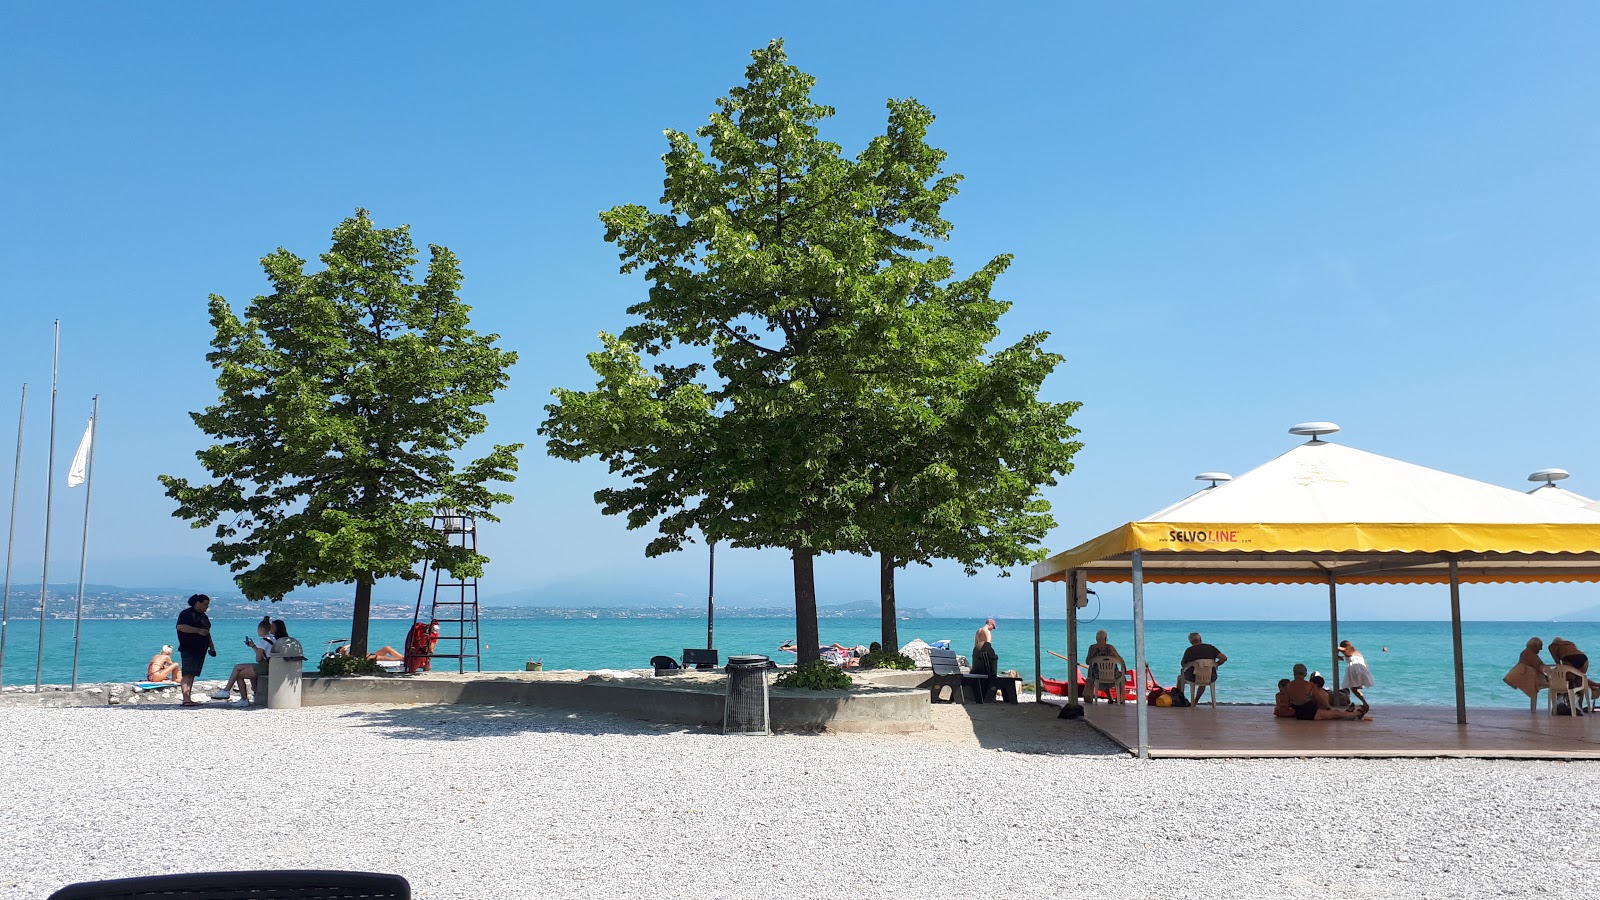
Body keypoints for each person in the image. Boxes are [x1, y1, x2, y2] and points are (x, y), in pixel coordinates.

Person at [213, 616, 274, 704]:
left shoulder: (263, 641)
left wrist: (258, 652)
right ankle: (226, 691)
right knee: (237, 667)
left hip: (265, 666)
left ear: (261, 629)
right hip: (270, 665)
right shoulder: (272, 638)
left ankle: (243, 699)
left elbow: (258, 659)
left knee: (239, 675)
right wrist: (253, 646)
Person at [175, 594, 217, 706]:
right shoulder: (187, 614)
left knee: (193, 673)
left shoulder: (204, 617)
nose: (207, 607)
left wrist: (212, 647)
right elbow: (180, 627)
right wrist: (197, 630)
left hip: (201, 648)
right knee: (187, 673)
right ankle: (186, 699)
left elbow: (207, 633)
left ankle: (188, 697)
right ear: (197, 603)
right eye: (205, 604)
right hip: (189, 648)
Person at [1282, 664, 1362, 720]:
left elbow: (1287, 704)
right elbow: (1321, 701)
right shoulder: (1310, 685)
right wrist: (1329, 709)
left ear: (1294, 673)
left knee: (1334, 714)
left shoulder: (1288, 686)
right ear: (1305, 674)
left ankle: (1349, 713)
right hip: (1313, 714)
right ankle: (1357, 713)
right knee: (1337, 713)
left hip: (1298, 715)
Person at [1178, 632, 1226, 706]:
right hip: (1210, 677)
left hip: (1193, 677)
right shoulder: (1210, 648)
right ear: (1200, 639)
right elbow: (1224, 658)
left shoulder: (1190, 650)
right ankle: (1196, 701)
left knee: (1180, 678)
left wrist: (1191, 664)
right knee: (1203, 676)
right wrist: (1216, 664)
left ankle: (1179, 700)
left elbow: (1182, 664)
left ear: (1191, 642)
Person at [1082, 629, 1126, 704]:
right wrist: (1124, 667)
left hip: (1097, 676)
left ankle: (1110, 699)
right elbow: (1120, 659)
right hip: (1112, 675)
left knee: (1103, 675)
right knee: (1122, 678)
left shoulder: (1092, 648)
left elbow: (1087, 662)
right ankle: (1120, 699)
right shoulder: (1110, 648)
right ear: (1106, 638)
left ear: (1096, 639)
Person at [1503, 637, 1549, 701]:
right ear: (1534, 646)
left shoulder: (1524, 653)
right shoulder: (1531, 655)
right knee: (1559, 683)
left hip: (1529, 676)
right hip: (1533, 678)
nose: (1541, 649)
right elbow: (1541, 667)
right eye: (1540, 646)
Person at [1337, 640, 1374, 717]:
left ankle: (1365, 703)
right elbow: (1356, 660)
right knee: (1355, 689)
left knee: (1353, 689)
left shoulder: (1347, 650)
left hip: (1355, 670)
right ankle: (1364, 703)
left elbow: (1337, 648)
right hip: (1363, 670)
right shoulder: (1356, 653)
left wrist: (1336, 654)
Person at [971, 618, 1000, 693]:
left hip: (978, 656)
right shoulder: (987, 632)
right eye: (993, 627)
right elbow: (988, 646)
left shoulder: (978, 631)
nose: (992, 629)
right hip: (985, 658)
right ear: (990, 624)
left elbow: (976, 644)